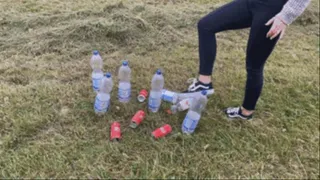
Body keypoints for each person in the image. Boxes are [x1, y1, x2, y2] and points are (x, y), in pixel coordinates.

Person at [183, 0, 311, 120]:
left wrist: (285, 17)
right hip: (250, 2)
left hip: (272, 10)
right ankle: (204, 82)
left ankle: (246, 112)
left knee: (254, 65)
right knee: (206, 25)